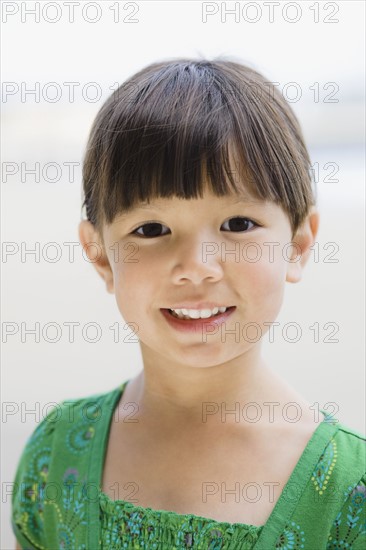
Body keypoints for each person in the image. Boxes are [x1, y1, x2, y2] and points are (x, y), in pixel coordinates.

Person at [11, 57, 365, 549]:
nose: (197, 266)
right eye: (151, 229)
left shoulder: (350, 492)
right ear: (100, 257)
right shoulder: (56, 458)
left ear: (299, 244)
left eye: (238, 224)